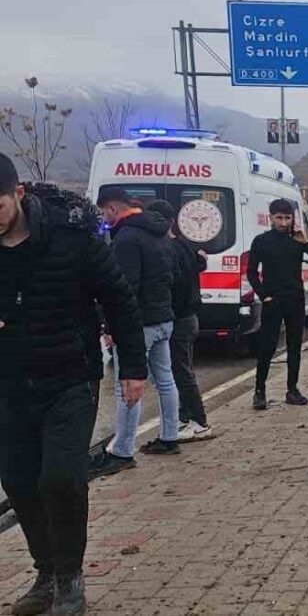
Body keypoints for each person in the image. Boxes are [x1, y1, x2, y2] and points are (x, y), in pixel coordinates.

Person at [0, 157, 147, 616]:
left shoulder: (71, 235)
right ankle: (46, 574)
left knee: (61, 478)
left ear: (18, 194)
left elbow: (118, 298)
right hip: (9, 382)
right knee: (19, 482)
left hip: (70, 376)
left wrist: (133, 367)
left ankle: (70, 579)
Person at [90, 187, 181, 477]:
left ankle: (122, 450)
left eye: (103, 212)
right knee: (165, 380)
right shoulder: (159, 232)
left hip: (139, 324)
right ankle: (169, 436)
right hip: (163, 317)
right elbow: (172, 275)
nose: (104, 219)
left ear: (112, 208)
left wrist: (112, 326)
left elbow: (123, 289)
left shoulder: (127, 238)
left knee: (127, 386)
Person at [247, 199, 308, 410]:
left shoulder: (298, 240)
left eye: (287, 218)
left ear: (293, 218)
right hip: (273, 301)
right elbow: (251, 272)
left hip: (295, 300)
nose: (283, 223)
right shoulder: (261, 241)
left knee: (294, 347)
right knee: (267, 347)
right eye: (279, 218)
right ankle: (259, 391)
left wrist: (306, 242)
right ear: (271, 218)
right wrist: (263, 295)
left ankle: (292, 389)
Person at [145, 200, 213, 442]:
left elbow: (176, 282)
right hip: (189, 316)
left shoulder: (169, 250)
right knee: (180, 370)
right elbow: (198, 264)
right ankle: (185, 417)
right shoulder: (183, 245)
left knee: (180, 372)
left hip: (180, 318)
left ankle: (198, 421)